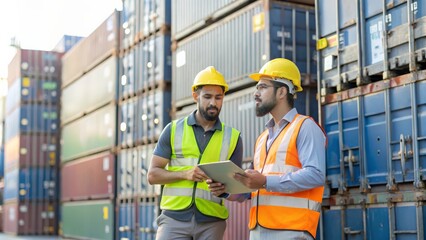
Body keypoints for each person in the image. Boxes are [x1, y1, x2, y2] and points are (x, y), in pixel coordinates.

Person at [208, 58, 326, 239]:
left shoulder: (305, 127)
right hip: (258, 230)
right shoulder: (263, 138)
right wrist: (226, 190)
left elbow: (316, 175)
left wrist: (264, 182)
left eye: (262, 87)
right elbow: (255, 189)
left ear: (281, 92)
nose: (256, 93)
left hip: (291, 230)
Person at [147, 66, 244, 240]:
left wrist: (225, 190)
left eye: (218, 97)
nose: (213, 103)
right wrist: (185, 174)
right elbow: (153, 175)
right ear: (195, 96)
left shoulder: (233, 137)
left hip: (212, 222)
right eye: (207, 97)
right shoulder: (173, 130)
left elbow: (238, 191)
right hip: (173, 220)